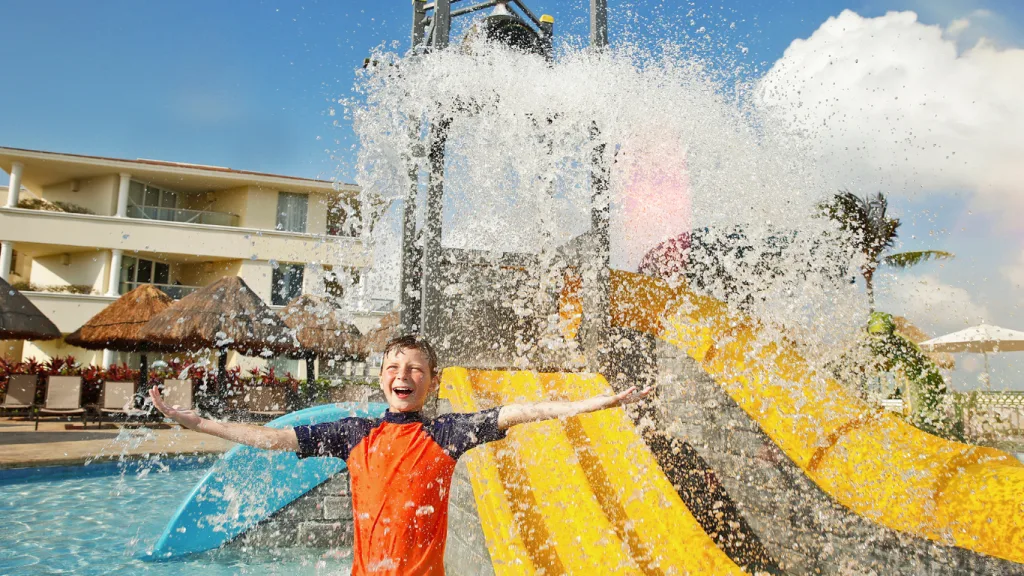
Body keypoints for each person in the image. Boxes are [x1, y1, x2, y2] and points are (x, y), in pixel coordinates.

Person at [150, 334, 654, 575]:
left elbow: (521, 411)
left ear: (432, 384)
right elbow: (272, 438)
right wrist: (196, 422)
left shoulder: (448, 433)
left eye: (416, 369)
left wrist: (595, 402)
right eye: (395, 366)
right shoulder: (353, 433)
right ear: (382, 378)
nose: (404, 375)